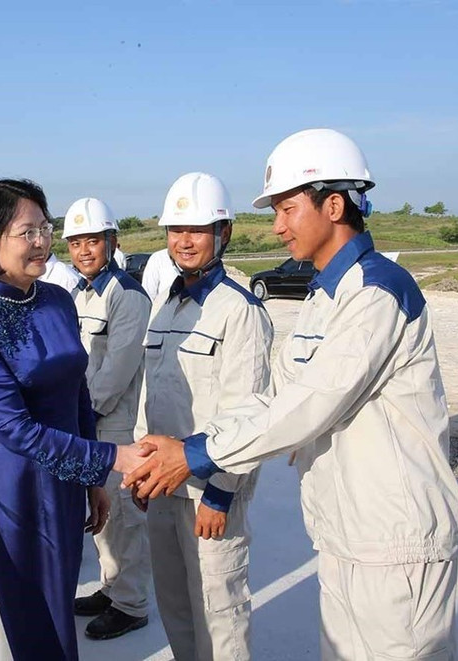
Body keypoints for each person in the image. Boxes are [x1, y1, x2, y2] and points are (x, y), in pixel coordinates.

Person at [126, 129, 458, 660]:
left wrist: (197, 456)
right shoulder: (322, 298)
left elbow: (308, 405)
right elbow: (274, 396)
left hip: (395, 538)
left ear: (333, 205)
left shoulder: (378, 291)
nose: (277, 227)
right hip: (343, 531)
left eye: (286, 209)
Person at [0, 178, 151, 660]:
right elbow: (15, 430)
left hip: (60, 475)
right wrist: (113, 458)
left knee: (54, 600)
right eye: (26, 231)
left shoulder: (55, 300)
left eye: (44, 228)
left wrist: (92, 479)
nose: (42, 241)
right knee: (9, 613)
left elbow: (76, 386)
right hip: (4, 484)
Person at [139, 173, 272, 660]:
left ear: (225, 233)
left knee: (219, 611)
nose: (184, 241)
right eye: (176, 230)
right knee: (174, 603)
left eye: (197, 229)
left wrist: (220, 495)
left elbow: (250, 414)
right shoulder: (165, 306)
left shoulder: (240, 311)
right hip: (160, 483)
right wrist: (139, 470)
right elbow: (147, 397)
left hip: (208, 491)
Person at [63, 197, 153, 640]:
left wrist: (78, 417)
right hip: (86, 422)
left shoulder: (129, 297)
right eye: (75, 242)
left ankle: (131, 603)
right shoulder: (78, 292)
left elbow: (115, 372)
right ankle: (110, 588)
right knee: (98, 520)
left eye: (92, 240)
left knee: (120, 516)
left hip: (113, 424)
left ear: (112, 241)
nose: (83, 250)